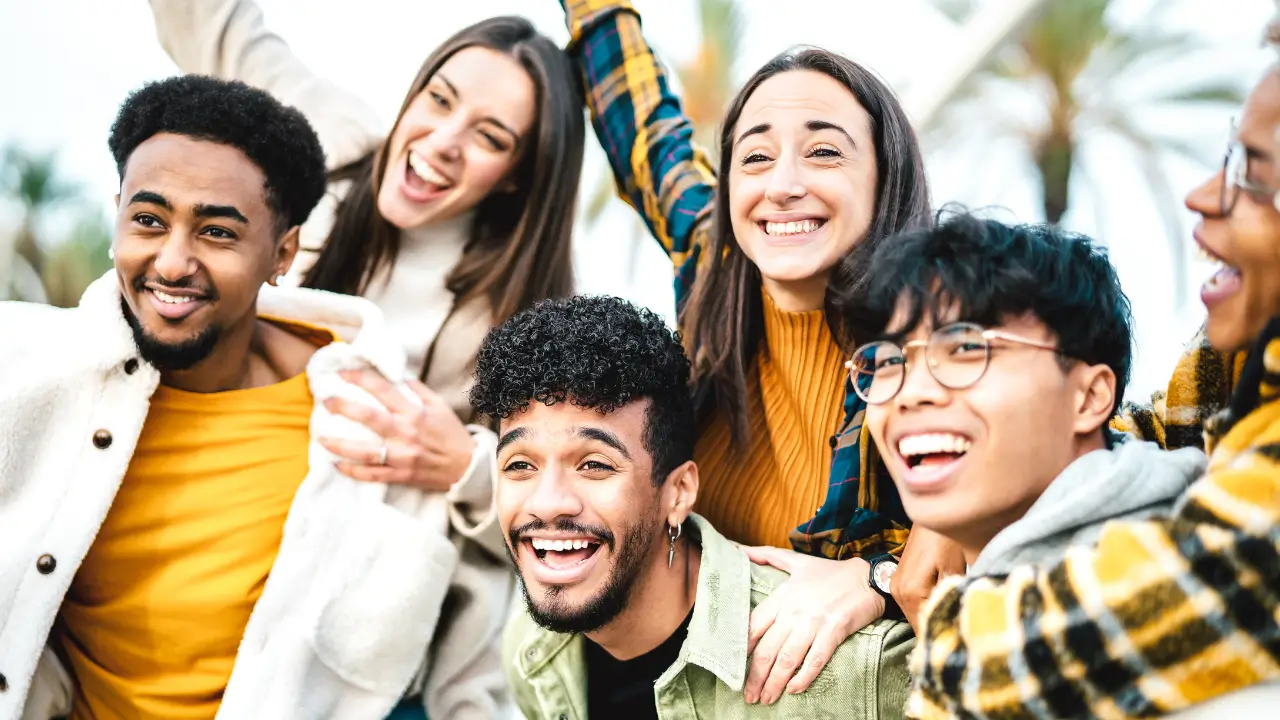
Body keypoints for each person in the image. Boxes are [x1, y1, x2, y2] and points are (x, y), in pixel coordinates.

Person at [0, 76, 511, 720]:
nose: (173, 261)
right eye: (148, 221)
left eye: (217, 233)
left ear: (283, 253)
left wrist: (469, 470)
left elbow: (531, 564)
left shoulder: (369, 423)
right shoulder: (24, 370)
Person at [558, 0, 960, 704]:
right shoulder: (711, 259)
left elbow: (1049, 482)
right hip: (681, 677)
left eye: (825, 151)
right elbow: (644, 130)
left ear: (884, 175)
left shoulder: (941, 343)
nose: (783, 185)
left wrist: (878, 578)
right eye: (755, 157)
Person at [899, 48, 1280, 719]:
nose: (1202, 196)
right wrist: (962, 468)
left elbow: (1229, 571)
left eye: (1253, 175)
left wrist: (949, 633)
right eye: (892, 362)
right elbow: (1165, 426)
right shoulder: (1242, 370)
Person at [146, 0, 587, 542]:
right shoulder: (329, 139)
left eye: (490, 138)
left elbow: (571, 511)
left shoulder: (523, 318)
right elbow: (216, 24)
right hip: (179, 467)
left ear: (517, 176)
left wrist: (469, 469)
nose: (443, 142)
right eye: (439, 99)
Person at [469, 294, 913, 719]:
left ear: (678, 492)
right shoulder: (533, 652)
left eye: (594, 465)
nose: (548, 502)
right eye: (520, 464)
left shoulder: (857, 670)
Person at [847, 213, 1207, 625]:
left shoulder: (1173, 588)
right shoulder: (1000, 610)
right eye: (890, 361)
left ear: (1089, 397)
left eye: (967, 349)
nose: (911, 393)